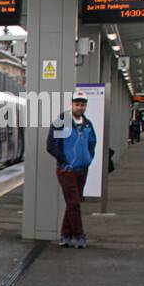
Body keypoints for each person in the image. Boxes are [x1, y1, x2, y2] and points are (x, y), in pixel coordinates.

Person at [46, 91, 97, 249]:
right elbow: (51, 145)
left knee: (72, 203)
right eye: (77, 104)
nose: (80, 107)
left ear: (85, 106)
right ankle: (80, 236)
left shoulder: (87, 124)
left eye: (82, 104)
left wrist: (89, 159)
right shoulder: (62, 121)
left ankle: (65, 236)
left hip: (82, 169)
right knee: (74, 202)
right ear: (72, 104)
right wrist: (64, 161)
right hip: (67, 170)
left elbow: (92, 142)